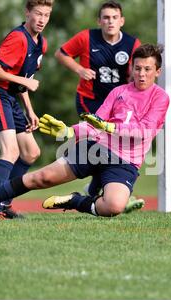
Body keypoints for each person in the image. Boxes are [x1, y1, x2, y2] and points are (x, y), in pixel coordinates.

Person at [0, 44, 169, 218]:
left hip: (126, 161)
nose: (141, 74)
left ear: (157, 72)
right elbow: (96, 122)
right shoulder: (118, 91)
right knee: (41, 178)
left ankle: (76, 200)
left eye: (147, 69)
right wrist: (70, 132)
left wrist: (110, 127)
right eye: (138, 68)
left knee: (114, 207)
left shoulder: (160, 97)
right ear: (131, 68)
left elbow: (144, 130)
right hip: (97, 148)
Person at [54, 0, 145, 213]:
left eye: (114, 17)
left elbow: (139, 71)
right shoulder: (87, 37)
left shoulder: (132, 44)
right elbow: (61, 54)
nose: (110, 21)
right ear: (99, 21)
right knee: (98, 142)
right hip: (90, 100)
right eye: (106, 17)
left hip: (118, 105)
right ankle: (100, 191)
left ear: (122, 21)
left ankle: (98, 190)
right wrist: (79, 70)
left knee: (110, 146)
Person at [0, 0, 54, 220]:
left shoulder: (42, 43)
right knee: (10, 152)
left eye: (46, 15)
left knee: (31, 152)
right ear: (27, 12)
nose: (41, 20)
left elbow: (24, 81)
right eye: (38, 14)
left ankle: (4, 203)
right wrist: (23, 81)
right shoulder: (18, 38)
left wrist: (30, 110)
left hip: (10, 95)